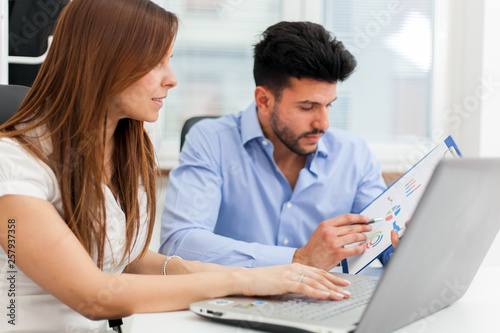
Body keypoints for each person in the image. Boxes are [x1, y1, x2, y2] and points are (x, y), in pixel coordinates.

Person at [0, 2, 353, 332]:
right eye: (157, 64)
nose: (172, 79)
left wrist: (266, 276)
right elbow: (93, 295)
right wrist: (245, 280)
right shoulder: (15, 163)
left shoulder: (129, 141)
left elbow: (123, 256)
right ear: (102, 62)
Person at [160, 21, 399, 271]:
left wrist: (402, 245)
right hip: (234, 302)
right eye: (307, 107)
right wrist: (298, 259)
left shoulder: (354, 154)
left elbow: (381, 240)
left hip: (326, 301)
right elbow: (178, 244)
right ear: (264, 100)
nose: (324, 123)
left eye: (328, 105)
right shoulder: (210, 140)